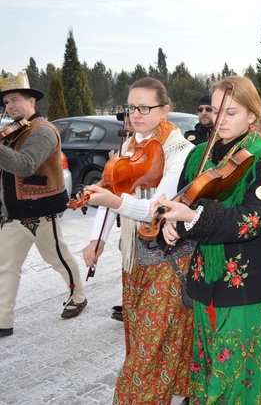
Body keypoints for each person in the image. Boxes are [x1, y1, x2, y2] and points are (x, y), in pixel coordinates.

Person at [152, 76, 261, 404]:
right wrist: (170, 221)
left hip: (247, 286)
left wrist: (193, 217)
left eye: (230, 112)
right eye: (216, 111)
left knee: (243, 379)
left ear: (251, 116)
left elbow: (253, 220)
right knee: (211, 370)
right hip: (207, 281)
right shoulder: (201, 155)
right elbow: (185, 200)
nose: (220, 121)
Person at [81, 77, 194, 403]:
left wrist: (114, 203)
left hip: (168, 257)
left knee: (151, 345)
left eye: (145, 107)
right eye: (132, 107)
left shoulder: (180, 150)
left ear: (165, 110)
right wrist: (97, 238)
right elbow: (111, 187)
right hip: (133, 257)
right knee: (140, 335)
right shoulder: (129, 146)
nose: (136, 114)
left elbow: (157, 208)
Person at [0, 72, 87, 339]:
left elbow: (24, 165)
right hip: (14, 214)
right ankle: (3, 320)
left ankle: (79, 296)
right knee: (5, 266)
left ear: (31, 102)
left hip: (41, 212)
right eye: (6, 103)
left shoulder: (44, 131)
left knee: (58, 258)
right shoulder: (15, 132)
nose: (10, 106)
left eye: (15, 100)